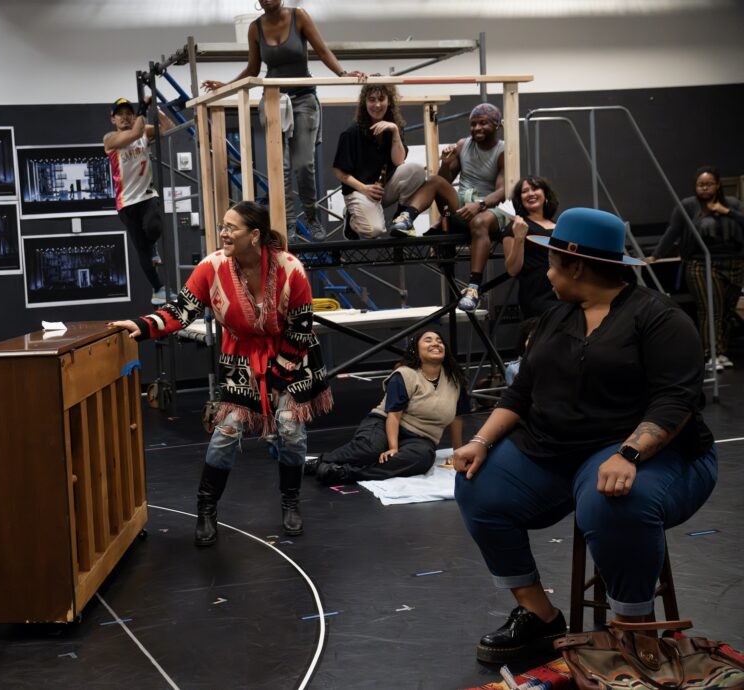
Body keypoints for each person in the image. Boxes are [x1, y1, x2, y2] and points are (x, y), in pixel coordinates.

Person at [452, 208, 717, 664]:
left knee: (612, 497)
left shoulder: (660, 319)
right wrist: (480, 441)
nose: (548, 271)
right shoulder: (556, 317)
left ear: (576, 265)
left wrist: (630, 453)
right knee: (479, 483)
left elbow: (675, 403)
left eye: (552, 262)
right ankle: (538, 615)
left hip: (651, 451)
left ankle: (634, 627)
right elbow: (521, 393)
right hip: (556, 451)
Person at [109, 200, 332, 545]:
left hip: (292, 354)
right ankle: (206, 508)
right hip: (242, 357)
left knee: (290, 428)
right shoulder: (211, 267)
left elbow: (302, 329)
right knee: (227, 431)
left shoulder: (291, 268)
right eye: (223, 226)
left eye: (232, 228)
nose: (224, 234)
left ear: (255, 235)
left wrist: (278, 378)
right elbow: (181, 310)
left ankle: (291, 502)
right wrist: (143, 325)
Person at [201, 0, 367, 241]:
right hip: (274, 100)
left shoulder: (299, 16)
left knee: (303, 164)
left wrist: (343, 73)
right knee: (282, 167)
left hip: (303, 99)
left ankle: (311, 215)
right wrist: (226, 86)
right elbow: (253, 68)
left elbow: (322, 50)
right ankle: (288, 221)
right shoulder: (255, 28)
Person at [308, 329, 465, 485]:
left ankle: (343, 473)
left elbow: (456, 417)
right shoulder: (404, 375)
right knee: (371, 450)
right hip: (383, 424)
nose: (435, 343)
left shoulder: (455, 379)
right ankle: (319, 463)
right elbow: (394, 415)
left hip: (421, 438)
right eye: (428, 340)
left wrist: (457, 451)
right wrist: (393, 447)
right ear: (416, 349)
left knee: (422, 459)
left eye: (439, 341)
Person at [647, 165, 743, 371]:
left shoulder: (733, 204)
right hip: (701, 263)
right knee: (710, 308)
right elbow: (672, 232)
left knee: (727, 309)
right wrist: (655, 255)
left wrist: (727, 212)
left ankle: (721, 350)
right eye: (700, 185)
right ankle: (711, 353)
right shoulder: (688, 206)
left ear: (717, 185)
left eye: (708, 184)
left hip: (733, 262)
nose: (704, 188)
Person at [332, 83, 459, 239]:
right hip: (360, 190)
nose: (377, 104)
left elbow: (399, 161)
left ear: (389, 101)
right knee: (374, 231)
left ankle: (401, 219)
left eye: (381, 99)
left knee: (416, 171)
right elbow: (338, 171)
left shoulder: (394, 127)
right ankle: (351, 217)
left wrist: (394, 131)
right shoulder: (351, 132)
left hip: (383, 189)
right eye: (371, 100)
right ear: (365, 103)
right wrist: (364, 188)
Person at [437, 103, 509, 312]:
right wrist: (445, 163)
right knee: (434, 181)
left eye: (483, 123)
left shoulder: (504, 150)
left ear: (497, 125)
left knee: (479, 222)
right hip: (463, 204)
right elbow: (444, 182)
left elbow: (504, 191)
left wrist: (480, 205)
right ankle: (407, 216)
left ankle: (473, 288)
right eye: (473, 124)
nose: (477, 128)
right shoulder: (462, 145)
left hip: (491, 209)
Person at [104, 95, 174, 306]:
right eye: (120, 115)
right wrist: (143, 108)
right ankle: (158, 289)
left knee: (154, 227)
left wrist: (156, 110)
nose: (125, 118)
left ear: (134, 116)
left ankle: (153, 247)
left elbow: (168, 129)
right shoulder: (110, 139)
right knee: (141, 250)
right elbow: (134, 133)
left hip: (146, 196)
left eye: (129, 114)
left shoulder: (144, 132)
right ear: (113, 119)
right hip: (126, 203)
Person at [502, 176, 560, 318]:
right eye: (525, 191)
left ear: (545, 194)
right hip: (537, 297)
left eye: (535, 188)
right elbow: (512, 270)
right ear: (520, 199)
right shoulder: (515, 227)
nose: (530, 193)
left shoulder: (559, 226)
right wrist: (519, 237)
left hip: (564, 294)